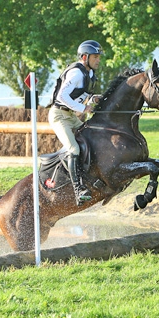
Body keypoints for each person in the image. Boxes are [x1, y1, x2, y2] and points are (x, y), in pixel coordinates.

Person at [49, 40, 103, 206]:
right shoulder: (77, 74)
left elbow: (79, 95)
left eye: (99, 57)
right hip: (59, 116)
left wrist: (92, 99)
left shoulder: (90, 74)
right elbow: (61, 97)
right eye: (95, 57)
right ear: (85, 57)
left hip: (71, 116)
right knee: (73, 149)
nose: (98, 60)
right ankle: (78, 189)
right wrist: (83, 108)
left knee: (92, 138)